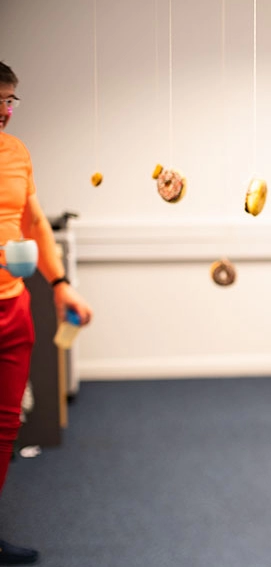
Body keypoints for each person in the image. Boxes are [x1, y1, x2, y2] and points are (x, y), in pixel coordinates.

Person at [1, 61, 94, 564]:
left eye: (10, 101)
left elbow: (34, 220)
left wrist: (61, 285)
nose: (4, 111)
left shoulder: (16, 152)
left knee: (7, 424)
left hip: (14, 306)